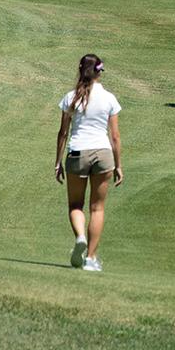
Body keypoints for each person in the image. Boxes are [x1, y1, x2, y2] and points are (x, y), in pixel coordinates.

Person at [54, 53, 121, 272]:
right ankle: (91, 258)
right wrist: (119, 165)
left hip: (78, 152)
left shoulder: (71, 97)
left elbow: (63, 133)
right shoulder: (109, 98)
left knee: (75, 205)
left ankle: (80, 236)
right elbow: (115, 136)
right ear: (99, 72)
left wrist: (57, 162)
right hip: (103, 154)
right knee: (97, 208)